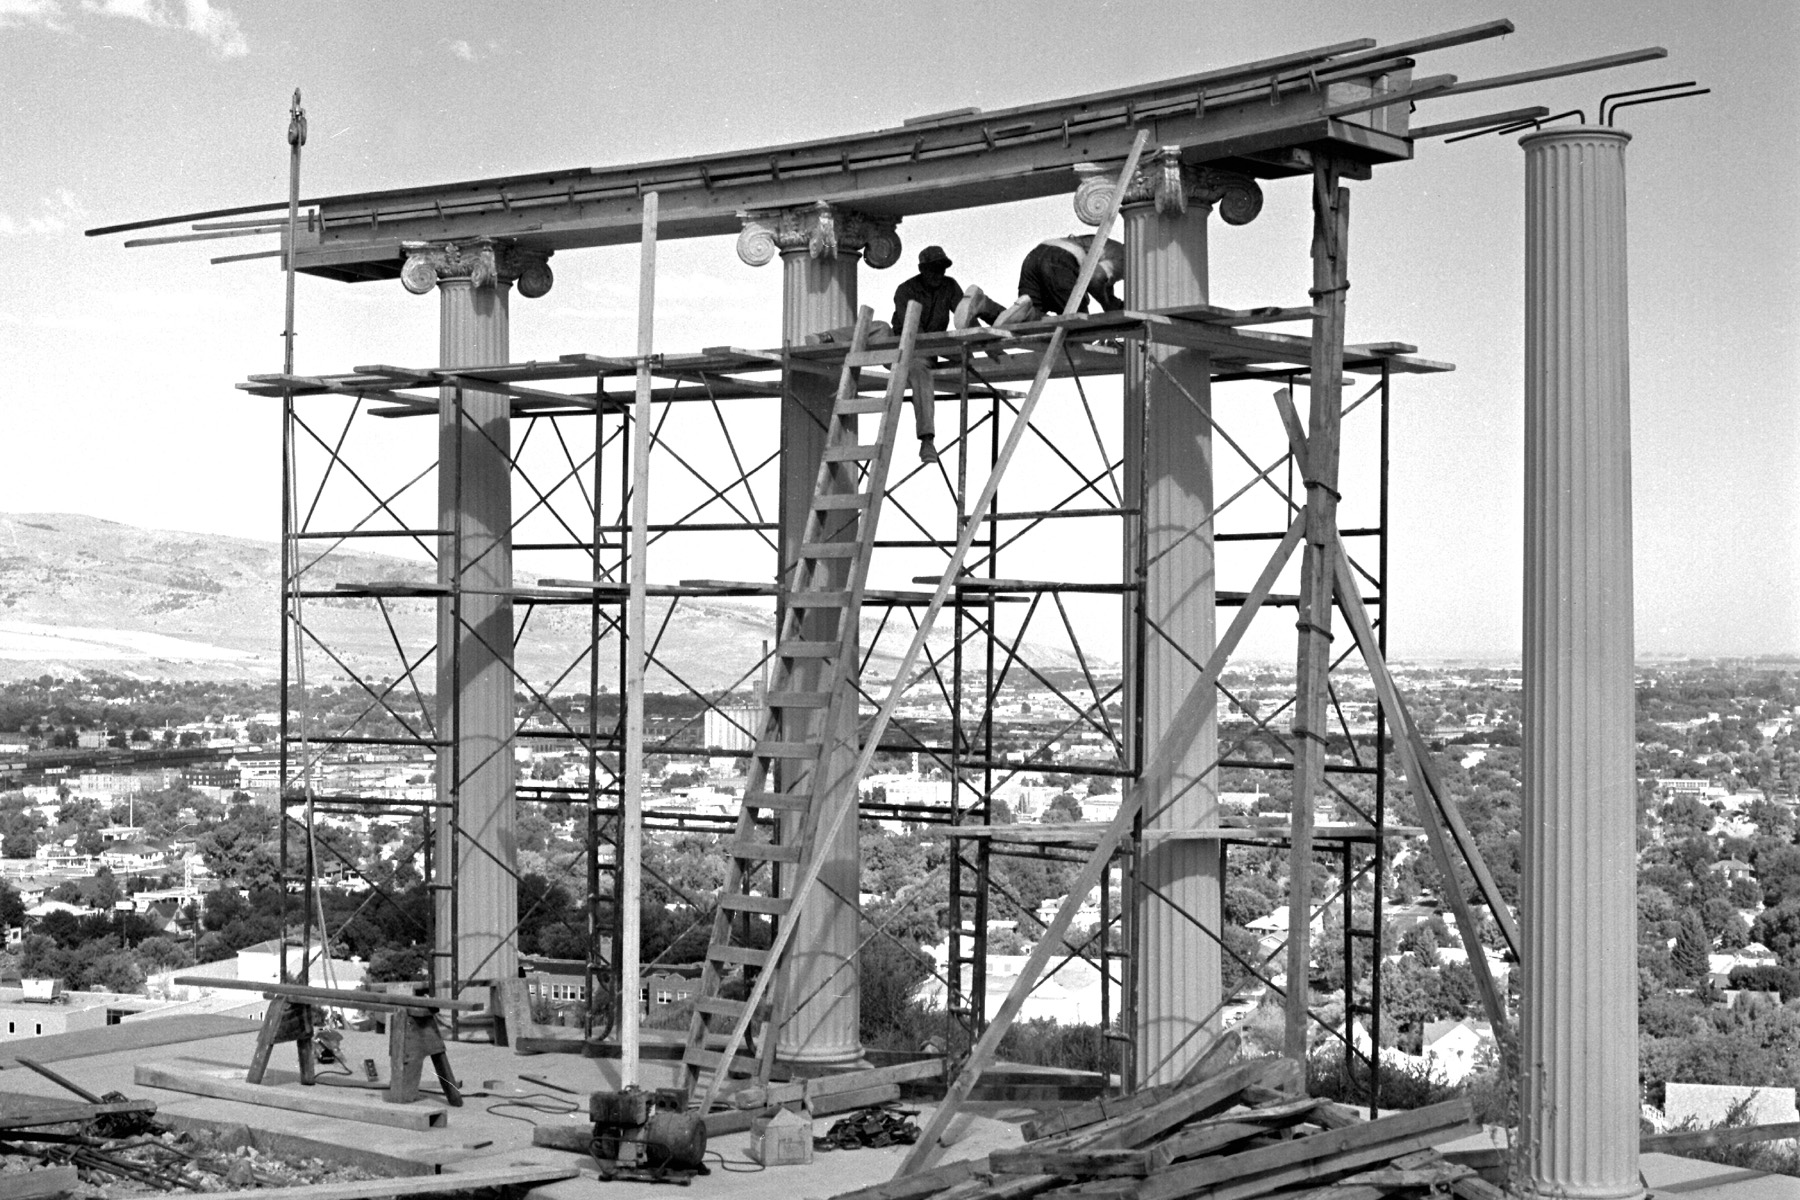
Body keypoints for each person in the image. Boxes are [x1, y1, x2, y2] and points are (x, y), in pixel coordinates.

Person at [956, 234, 1126, 328]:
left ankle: (983, 305)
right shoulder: (1127, 258)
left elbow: (1102, 280)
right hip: (1061, 261)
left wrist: (1109, 300)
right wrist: (1108, 305)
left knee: (1023, 322)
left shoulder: (1112, 249)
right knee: (1078, 324)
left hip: (1036, 256)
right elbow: (1096, 279)